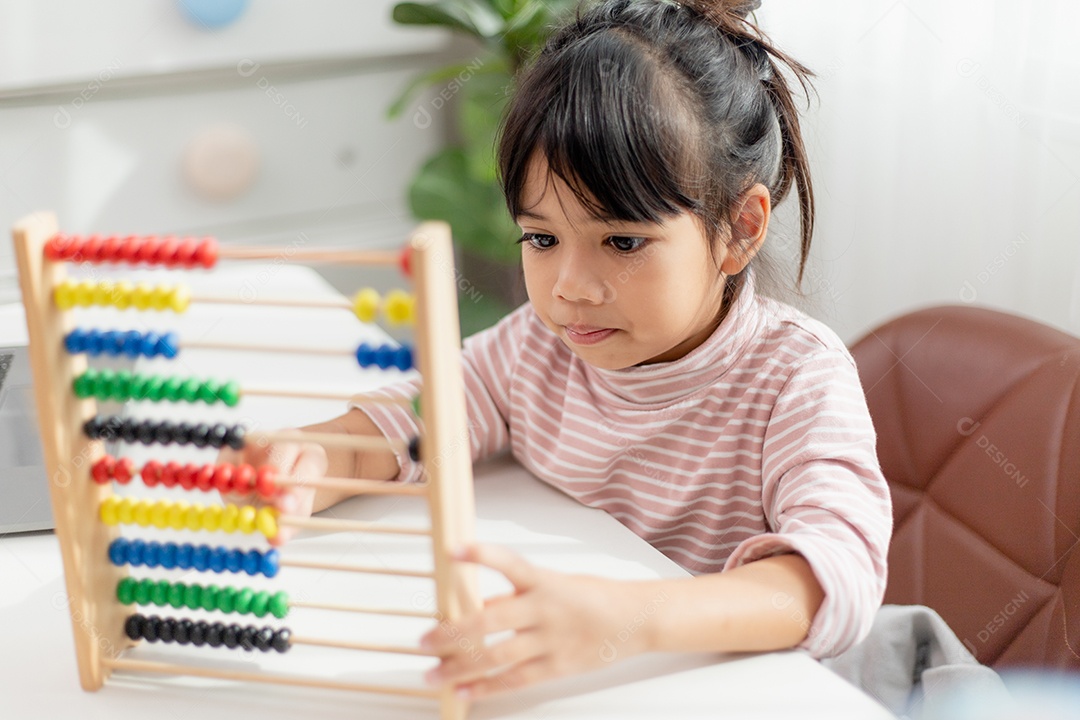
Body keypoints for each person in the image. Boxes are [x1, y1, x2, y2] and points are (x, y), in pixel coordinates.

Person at [222, 0, 892, 700]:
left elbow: (834, 581)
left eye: (622, 242)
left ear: (739, 230)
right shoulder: (541, 350)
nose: (569, 289)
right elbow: (419, 418)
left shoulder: (796, 379)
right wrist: (316, 457)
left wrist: (629, 619)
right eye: (541, 238)